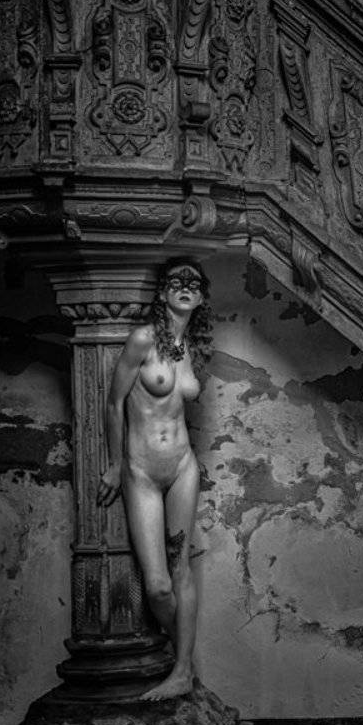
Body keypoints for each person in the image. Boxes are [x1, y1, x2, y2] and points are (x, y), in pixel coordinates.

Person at [97, 258, 213, 701]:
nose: (186, 287)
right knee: (159, 586)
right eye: (176, 281)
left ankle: (181, 672)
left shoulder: (194, 348)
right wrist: (114, 464)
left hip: (183, 467)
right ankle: (185, 659)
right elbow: (114, 404)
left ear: (201, 298)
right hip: (142, 471)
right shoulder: (143, 340)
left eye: (194, 284)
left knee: (182, 570)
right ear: (162, 292)